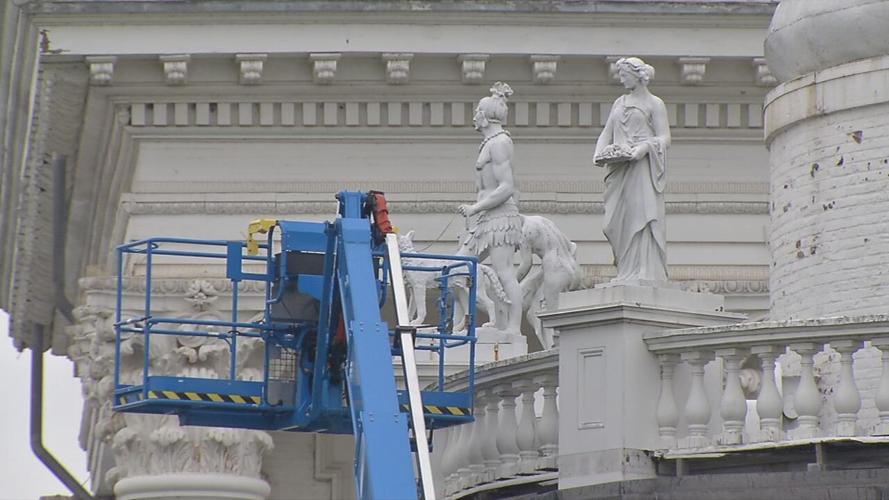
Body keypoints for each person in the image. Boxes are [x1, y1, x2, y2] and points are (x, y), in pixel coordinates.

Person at [594, 57, 671, 283]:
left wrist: (644, 148)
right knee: (615, 221)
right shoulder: (619, 103)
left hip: (641, 168)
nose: (621, 79)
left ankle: (644, 270)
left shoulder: (654, 103)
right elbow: (606, 133)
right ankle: (626, 268)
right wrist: (598, 153)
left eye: (624, 74)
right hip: (618, 168)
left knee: (642, 214)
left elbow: (665, 137)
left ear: (638, 75)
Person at [457, 82, 523, 332]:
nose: (474, 116)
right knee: (454, 269)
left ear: (485, 117)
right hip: (485, 218)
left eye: (477, 112)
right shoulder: (489, 143)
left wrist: (475, 208)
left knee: (505, 272)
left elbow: (506, 187)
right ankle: (467, 321)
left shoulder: (499, 143)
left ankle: (512, 328)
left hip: (500, 219)